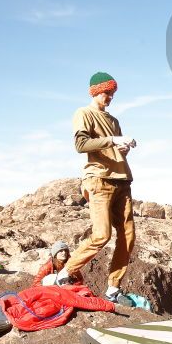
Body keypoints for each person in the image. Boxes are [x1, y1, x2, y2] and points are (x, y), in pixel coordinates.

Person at [55, 72, 136, 303]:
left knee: (128, 238)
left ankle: (113, 288)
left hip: (122, 180)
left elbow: (115, 147)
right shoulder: (84, 113)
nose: (110, 97)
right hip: (98, 180)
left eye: (113, 93)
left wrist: (125, 147)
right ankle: (65, 273)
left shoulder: (114, 121)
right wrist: (112, 140)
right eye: (107, 92)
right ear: (95, 91)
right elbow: (81, 144)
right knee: (102, 234)